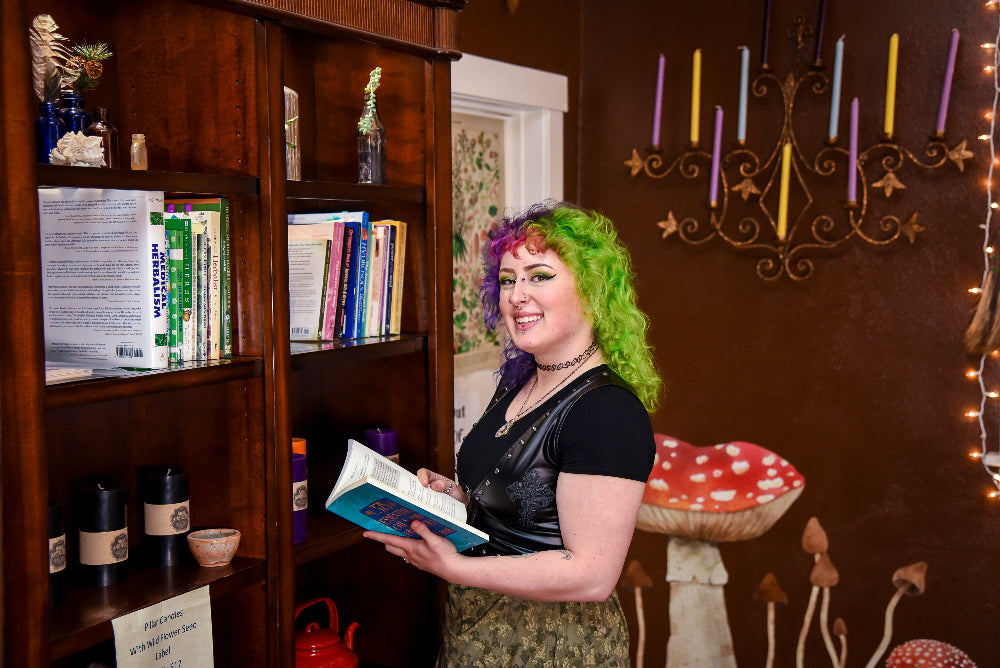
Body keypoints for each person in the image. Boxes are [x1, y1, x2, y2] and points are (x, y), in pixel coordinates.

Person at [364, 201, 661, 666]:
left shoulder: (607, 411)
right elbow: (521, 505)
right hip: (476, 634)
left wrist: (455, 568)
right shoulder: (520, 380)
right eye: (507, 280)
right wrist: (459, 499)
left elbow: (593, 575)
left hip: (556, 648)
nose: (517, 295)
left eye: (539, 276)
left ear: (592, 291)